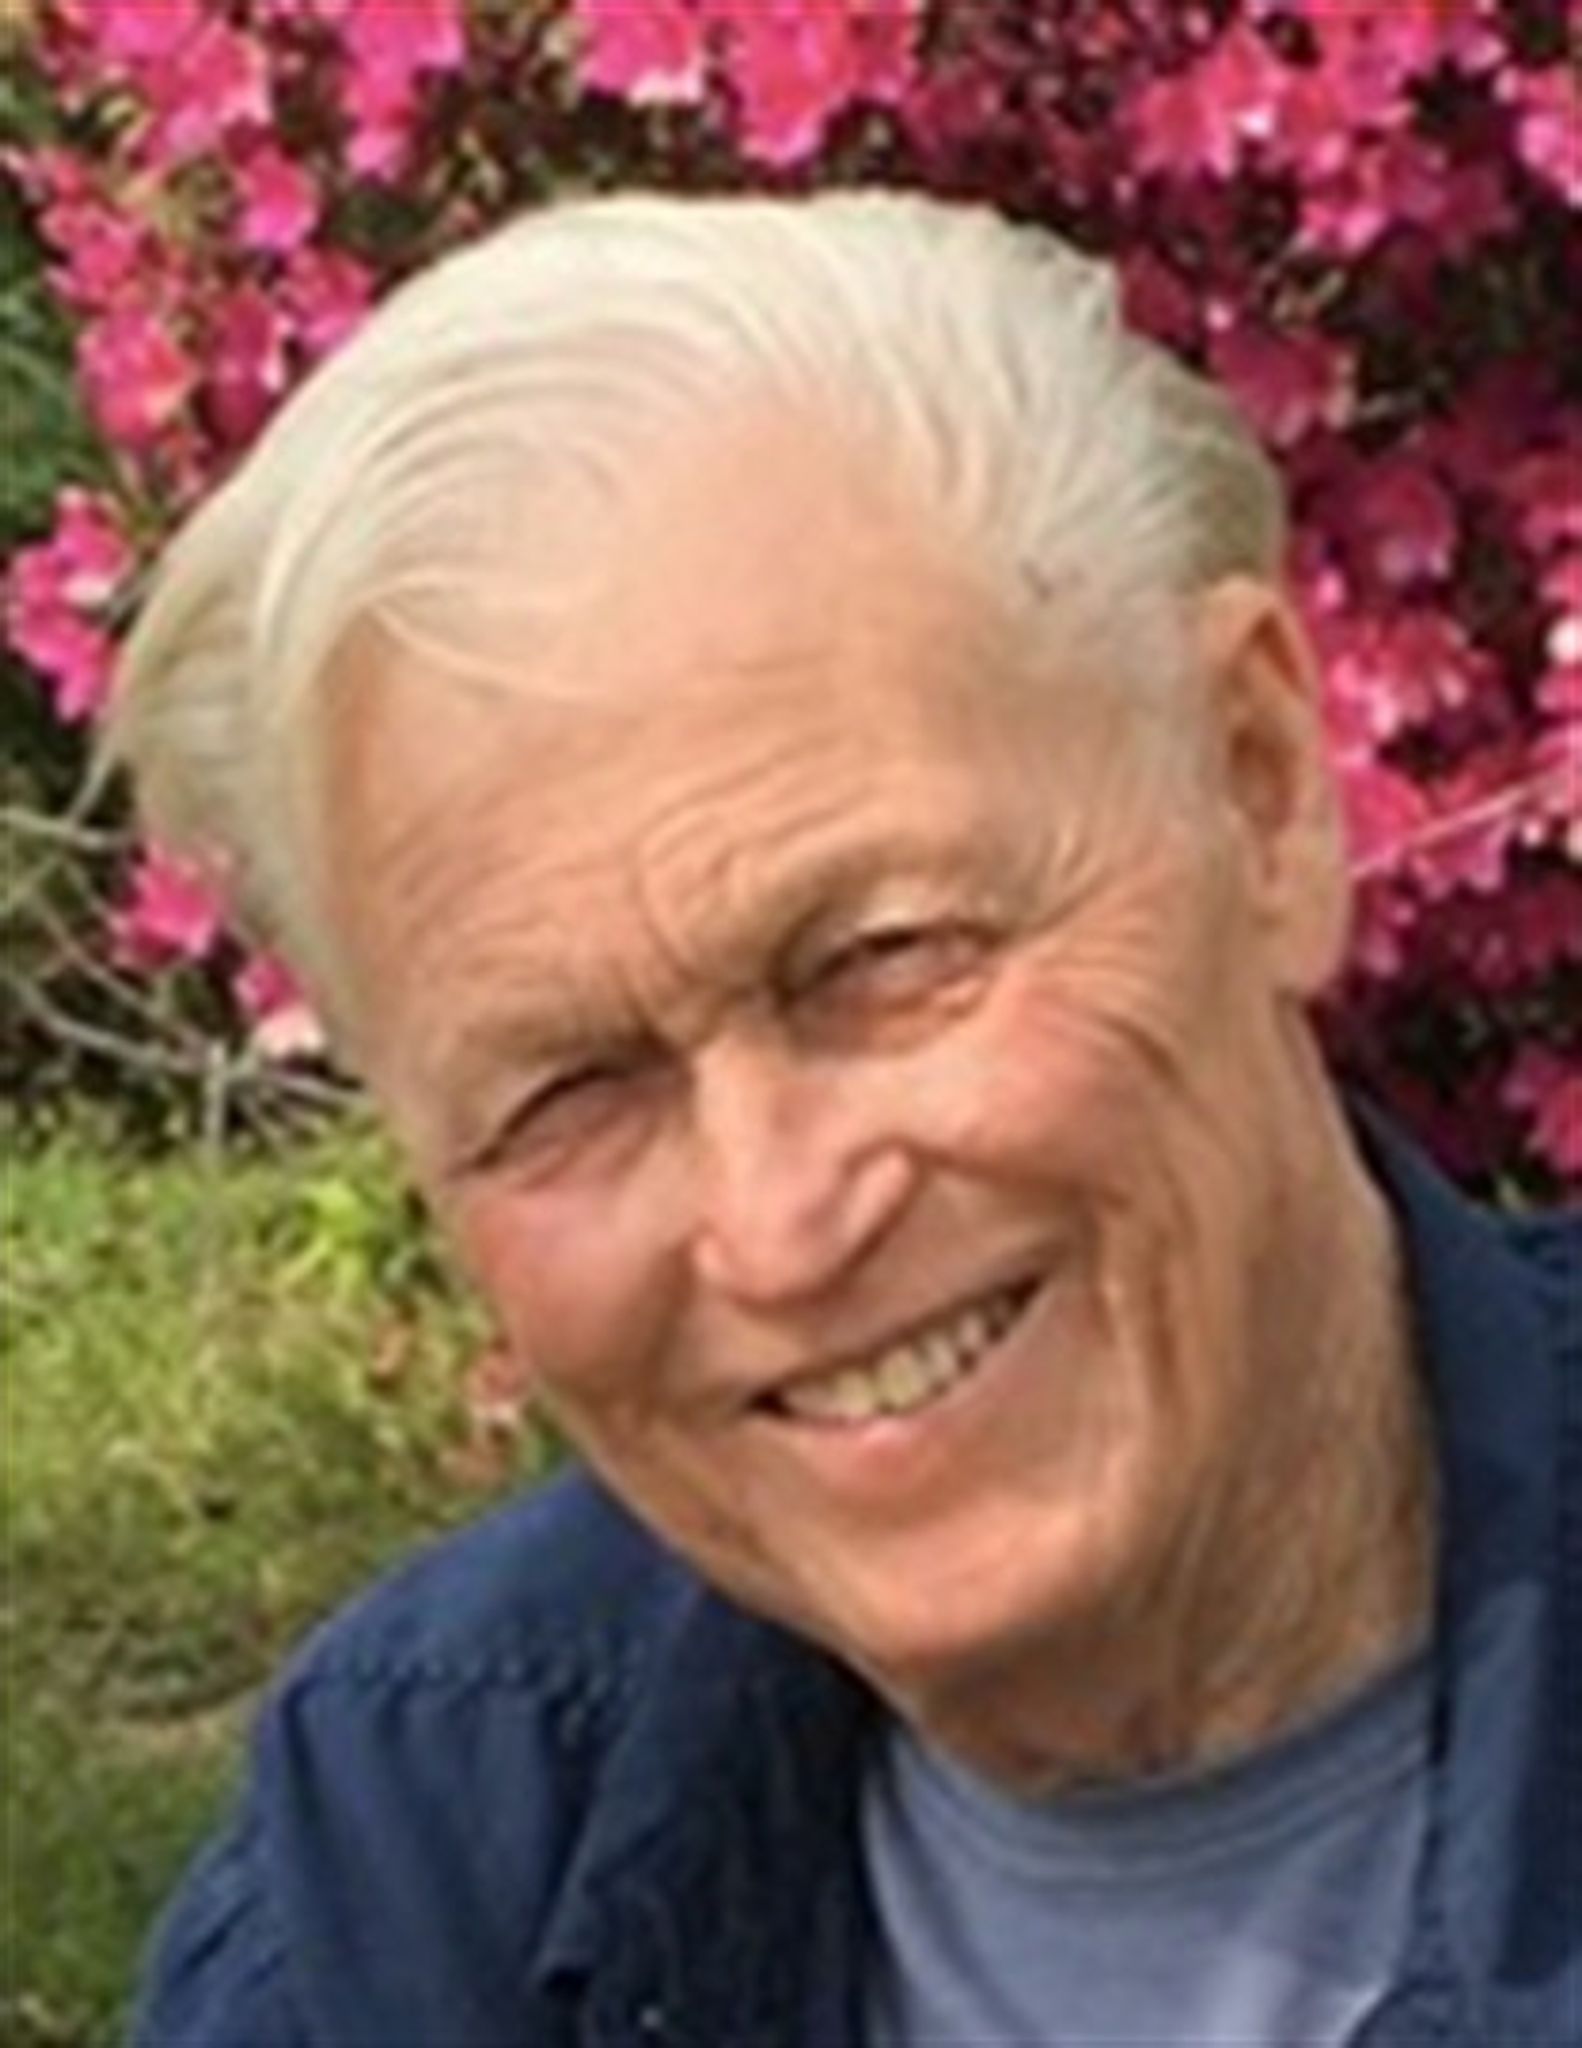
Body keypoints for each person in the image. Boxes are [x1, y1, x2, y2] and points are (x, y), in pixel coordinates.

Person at [114, 192, 1576, 2048]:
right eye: (569, 1093)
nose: (778, 1224)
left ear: (1256, 790)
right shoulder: (408, 1863)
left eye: (882, 959)